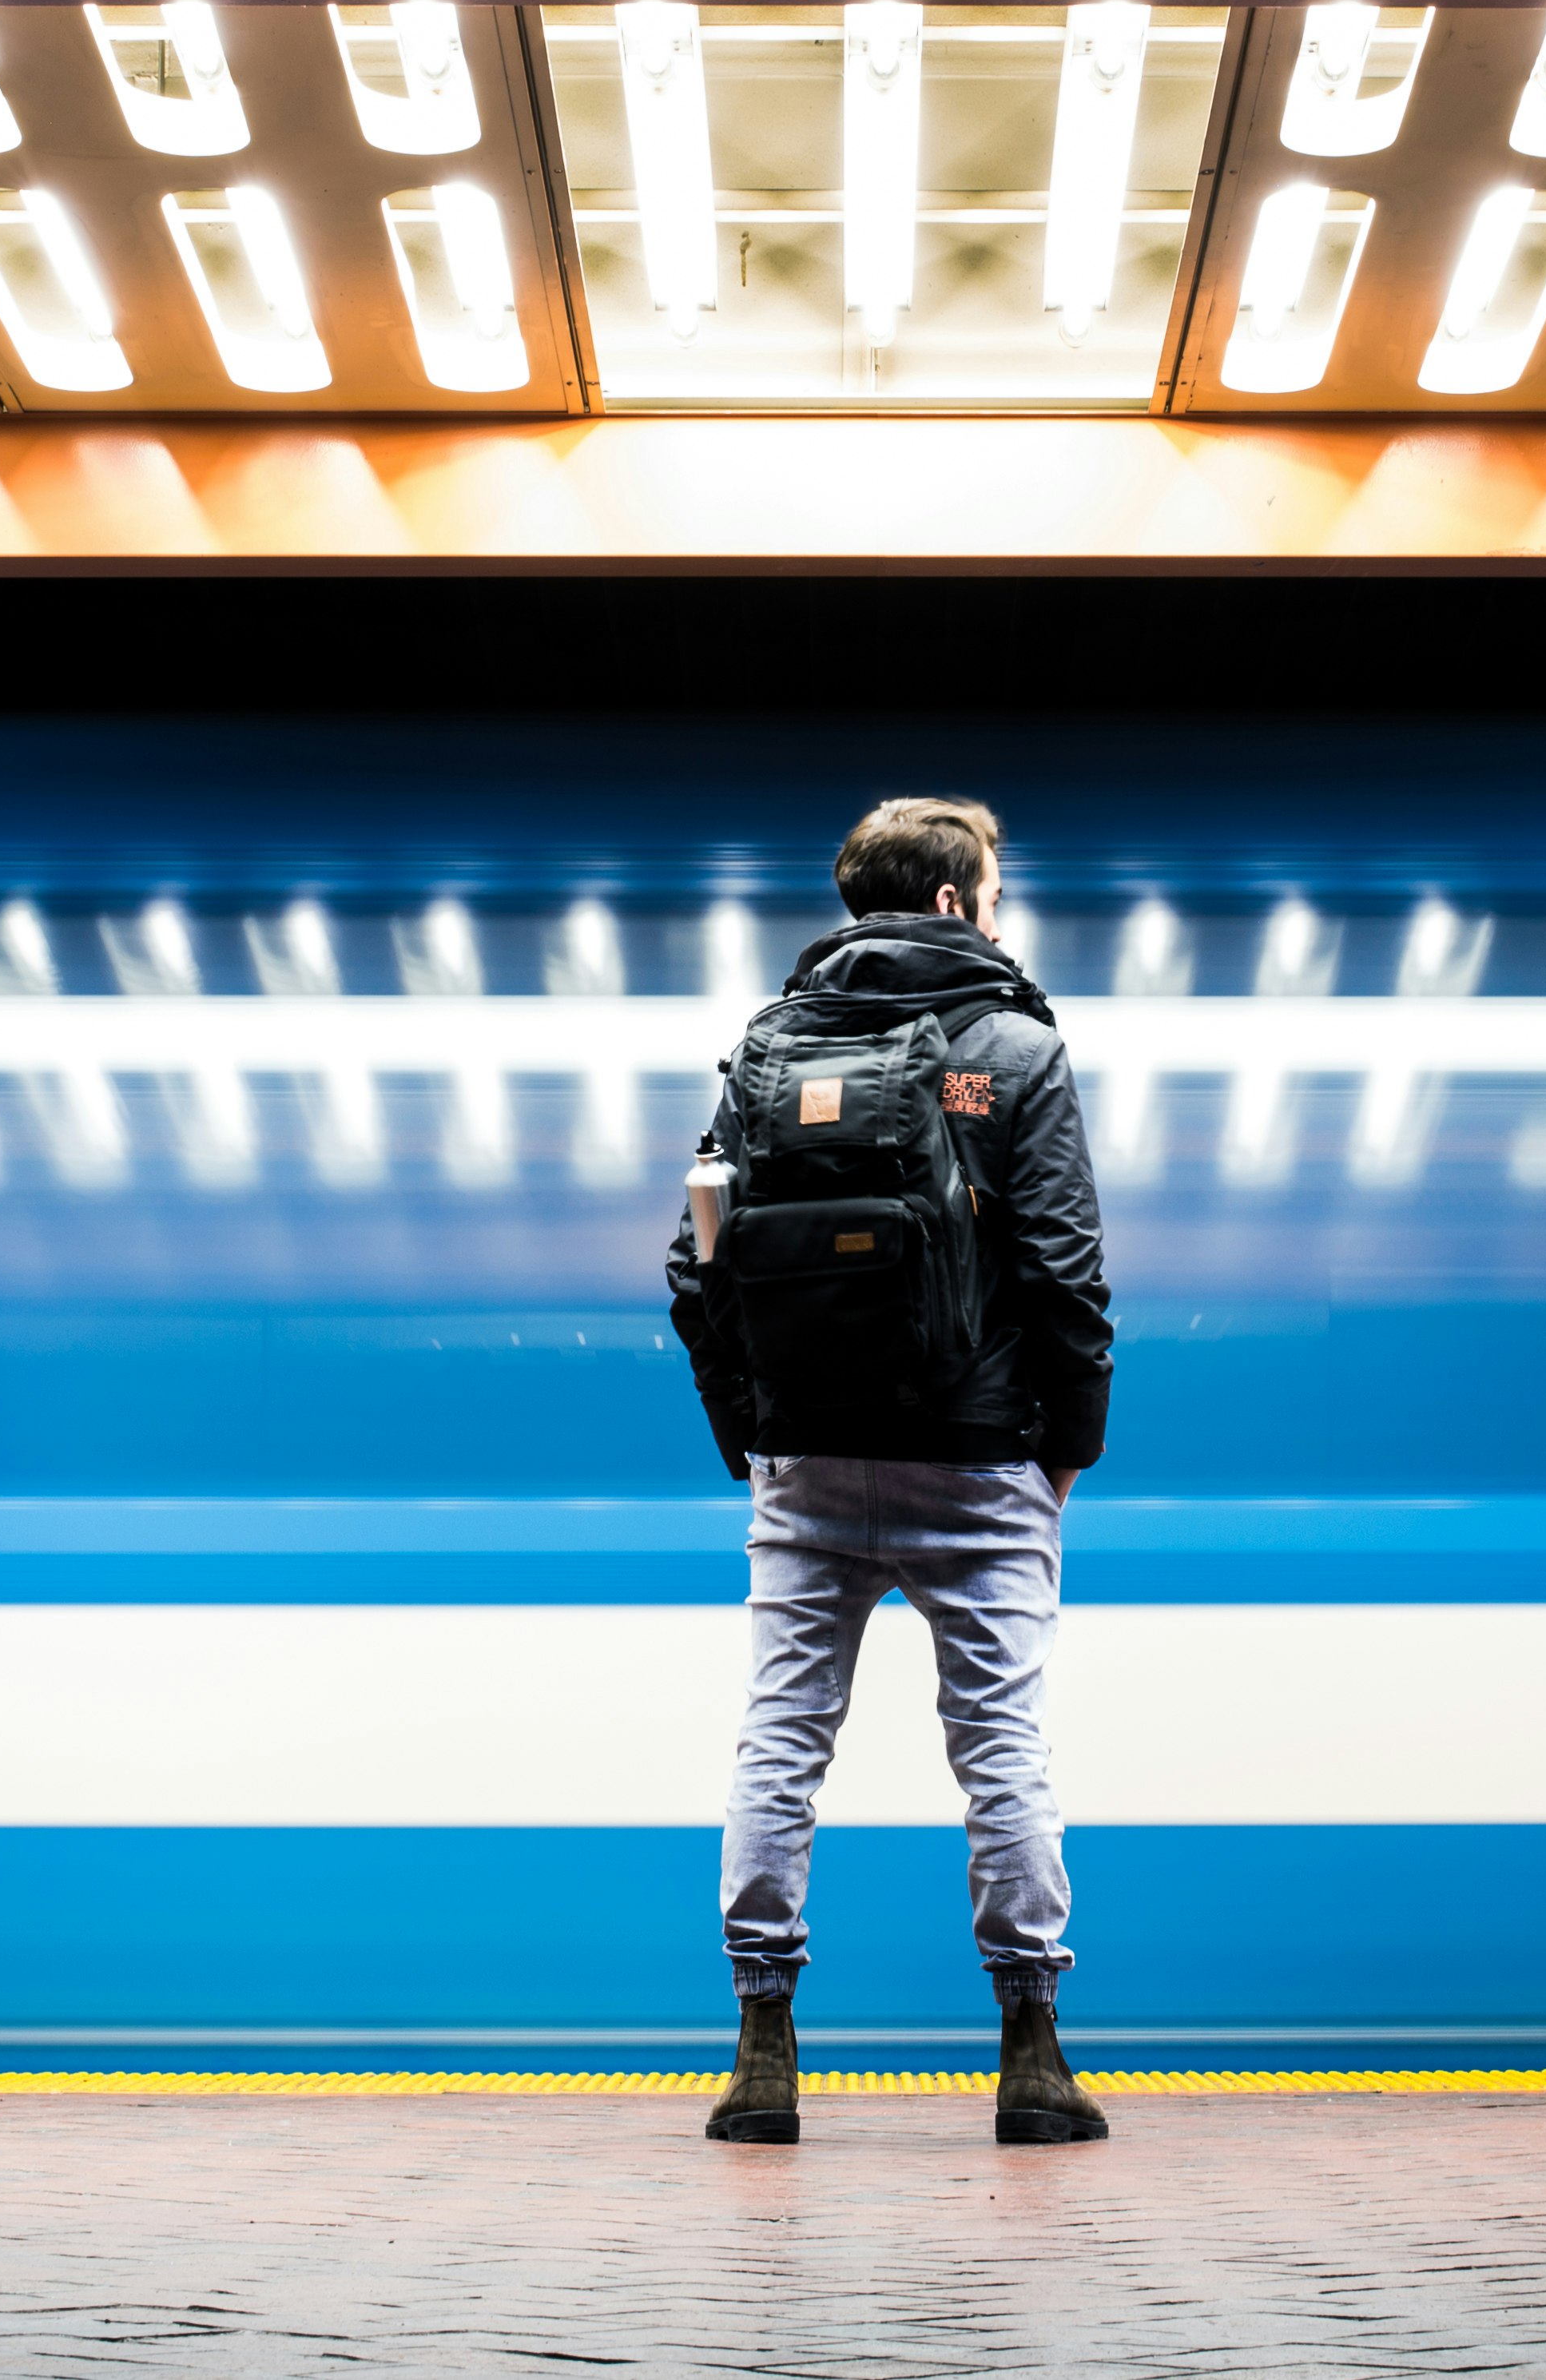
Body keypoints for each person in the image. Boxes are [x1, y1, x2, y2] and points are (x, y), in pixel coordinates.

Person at [666, 794, 1117, 2149]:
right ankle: (1032, 2054)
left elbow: (697, 1263)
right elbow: (1067, 1271)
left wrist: (749, 1428)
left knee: (782, 1737)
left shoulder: (764, 1044)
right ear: (953, 903)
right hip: (980, 1462)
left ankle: (761, 2048)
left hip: (806, 1462)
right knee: (1001, 1748)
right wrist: (1066, 1452)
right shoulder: (1017, 1048)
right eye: (995, 888)